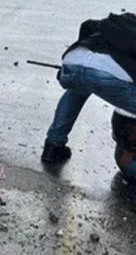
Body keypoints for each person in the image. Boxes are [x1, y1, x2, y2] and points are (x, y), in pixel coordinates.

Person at [41, 13, 136, 164]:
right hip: (106, 74)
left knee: (77, 90)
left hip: (73, 61)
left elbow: (87, 25)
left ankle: (53, 146)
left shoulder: (115, 25)